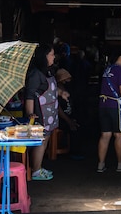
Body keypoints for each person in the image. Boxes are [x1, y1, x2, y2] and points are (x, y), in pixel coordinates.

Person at [25, 44, 69, 181]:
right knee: (41, 140)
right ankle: (36, 171)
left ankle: (39, 167)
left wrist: (61, 93)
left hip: (50, 114)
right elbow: (29, 95)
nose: (53, 57)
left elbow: (52, 89)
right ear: (43, 57)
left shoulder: (48, 71)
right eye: (51, 54)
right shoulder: (35, 74)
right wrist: (30, 113)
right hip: (40, 113)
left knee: (46, 139)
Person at [55, 68, 84, 160]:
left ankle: (75, 150)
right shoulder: (56, 93)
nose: (69, 81)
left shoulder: (66, 90)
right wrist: (69, 121)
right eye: (66, 79)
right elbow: (59, 110)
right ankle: (73, 152)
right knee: (73, 129)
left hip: (68, 117)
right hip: (60, 119)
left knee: (78, 126)